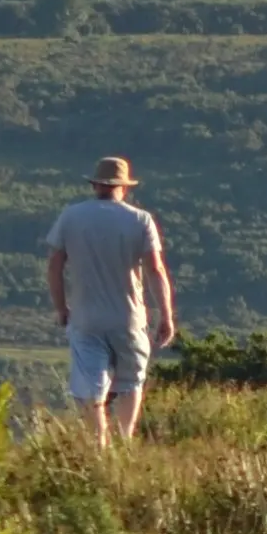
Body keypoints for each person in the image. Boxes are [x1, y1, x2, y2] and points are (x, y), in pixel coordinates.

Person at [43, 153, 176, 444]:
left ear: (95, 185)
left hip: (86, 317)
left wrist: (61, 308)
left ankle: (98, 444)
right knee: (130, 382)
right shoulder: (140, 220)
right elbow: (155, 269)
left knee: (91, 387)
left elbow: (54, 265)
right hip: (129, 318)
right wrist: (166, 315)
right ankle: (125, 441)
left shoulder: (72, 216)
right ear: (124, 187)